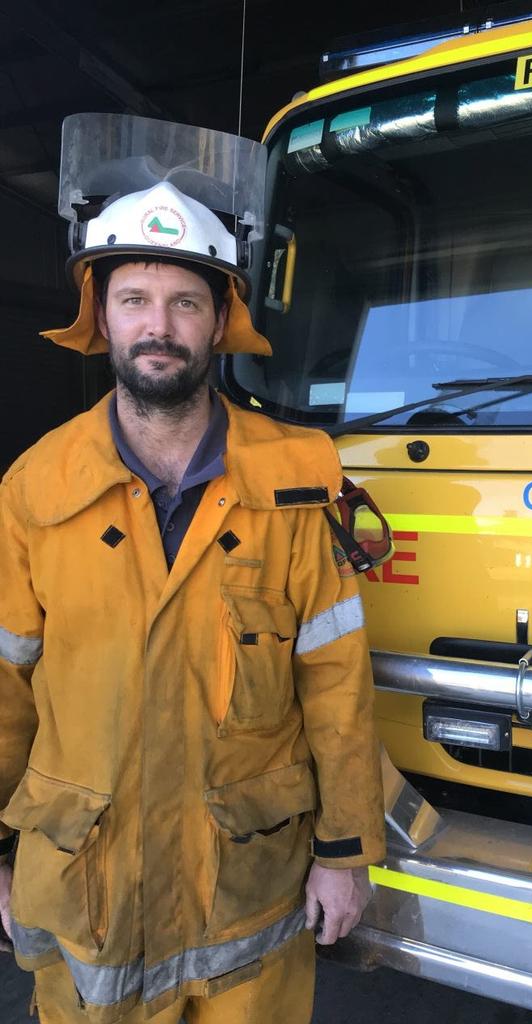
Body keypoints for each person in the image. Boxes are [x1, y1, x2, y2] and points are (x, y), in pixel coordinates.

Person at [0, 164, 385, 1024]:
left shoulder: (299, 476)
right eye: (134, 298)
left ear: (220, 322)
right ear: (100, 319)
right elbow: (4, 689)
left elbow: (334, 675)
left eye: (185, 302)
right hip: (83, 880)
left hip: (245, 884)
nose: (159, 326)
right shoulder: (33, 487)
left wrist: (346, 851)